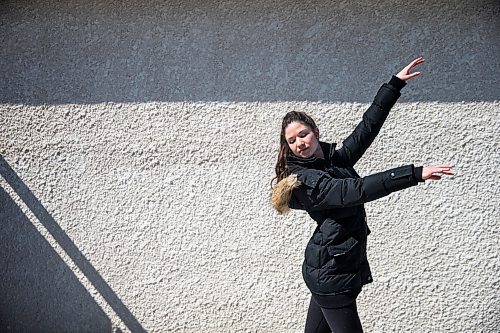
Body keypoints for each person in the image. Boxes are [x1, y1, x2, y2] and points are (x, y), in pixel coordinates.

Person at [270, 57, 454, 333]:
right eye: (292, 140)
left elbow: (365, 130)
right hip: (332, 277)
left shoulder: (333, 161)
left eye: (303, 134)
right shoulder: (306, 181)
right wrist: (414, 173)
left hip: (330, 268)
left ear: (316, 132)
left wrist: (394, 86)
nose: (299, 143)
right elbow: (355, 191)